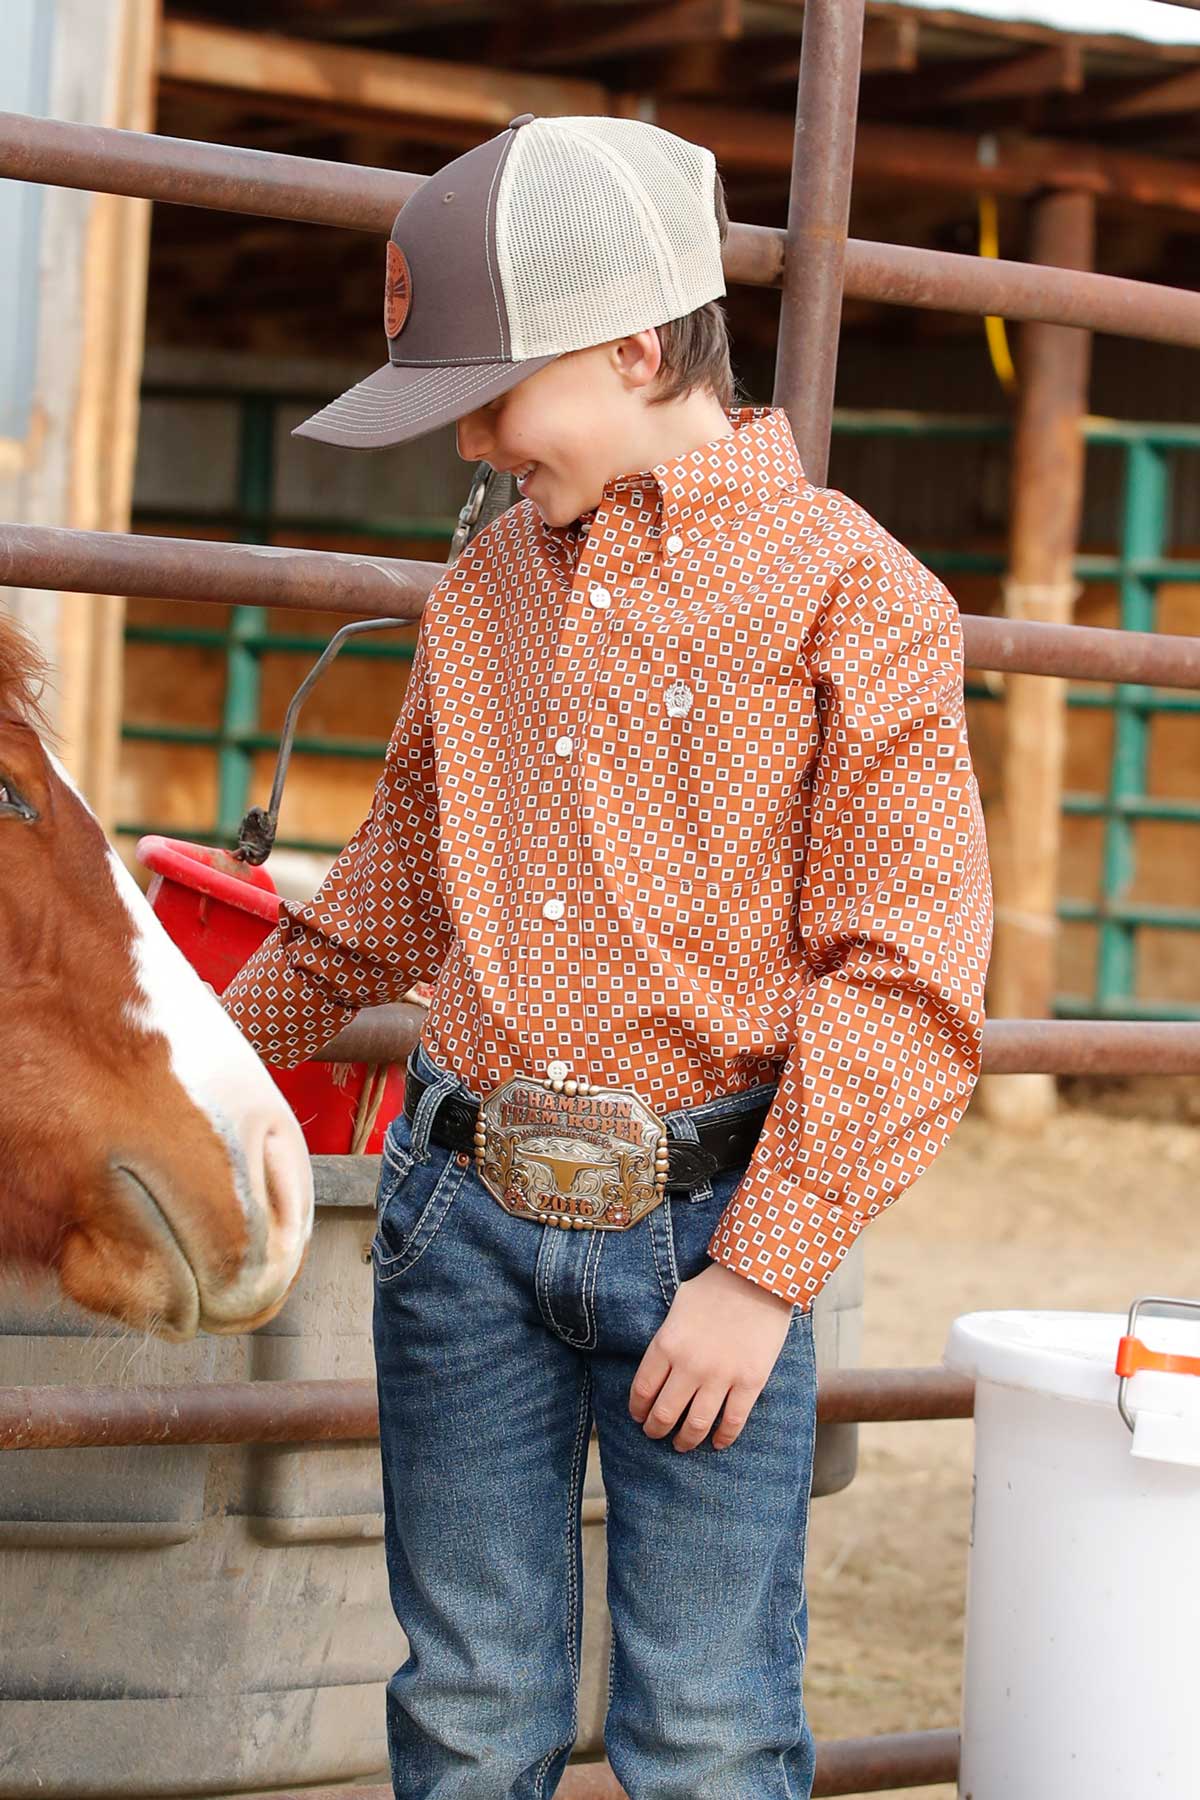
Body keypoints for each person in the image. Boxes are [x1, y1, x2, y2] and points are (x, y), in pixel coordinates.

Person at [223, 112, 993, 1800]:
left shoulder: (853, 597)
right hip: (465, 1224)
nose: (473, 445)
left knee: (708, 1725)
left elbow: (905, 975)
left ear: (638, 344)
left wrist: (762, 1276)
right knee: (468, 1700)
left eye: (495, 398)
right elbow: (405, 873)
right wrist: (213, 1046)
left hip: (710, 1240)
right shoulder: (486, 584)